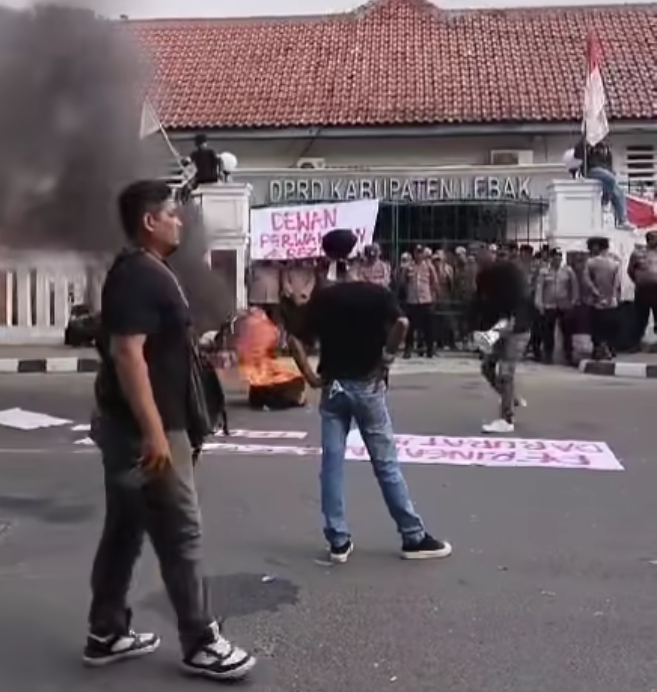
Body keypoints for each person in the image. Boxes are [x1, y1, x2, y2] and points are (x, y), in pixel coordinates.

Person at [86, 180, 255, 680]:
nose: (180, 221)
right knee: (181, 532)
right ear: (149, 222)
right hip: (148, 429)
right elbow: (126, 353)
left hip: (139, 425)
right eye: (172, 214)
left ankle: (107, 630)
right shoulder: (139, 274)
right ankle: (201, 641)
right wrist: (156, 432)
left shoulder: (146, 270)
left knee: (125, 529)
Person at [288, 228, 452, 563]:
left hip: (333, 386)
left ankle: (338, 540)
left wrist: (309, 376)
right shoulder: (375, 293)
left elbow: (294, 339)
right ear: (360, 255)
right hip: (368, 384)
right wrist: (387, 358)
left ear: (327, 256)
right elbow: (403, 325)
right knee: (385, 463)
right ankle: (412, 535)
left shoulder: (323, 297)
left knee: (331, 465)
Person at [469, 244, 532, 434]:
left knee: (505, 372)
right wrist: (475, 330)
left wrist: (514, 321)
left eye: (480, 255)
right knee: (487, 367)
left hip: (516, 326)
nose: (477, 260)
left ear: (490, 254)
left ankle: (506, 419)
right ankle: (509, 397)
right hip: (498, 328)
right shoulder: (482, 277)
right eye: (474, 257)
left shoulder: (508, 271)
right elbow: (478, 304)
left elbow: (521, 299)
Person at [572, 137, 635, 231]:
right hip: (591, 170)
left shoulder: (608, 152)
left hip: (605, 174)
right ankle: (605, 201)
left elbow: (609, 166)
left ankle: (622, 220)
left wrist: (612, 173)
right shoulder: (589, 146)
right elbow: (577, 154)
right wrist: (584, 140)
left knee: (619, 191)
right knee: (610, 178)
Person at [534, 248, 580, 365]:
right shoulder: (544, 271)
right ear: (551, 258)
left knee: (567, 332)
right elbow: (539, 288)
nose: (557, 258)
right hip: (549, 305)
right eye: (555, 256)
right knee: (548, 332)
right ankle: (548, 355)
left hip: (565, 305)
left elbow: (574, 287)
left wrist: (574, 301)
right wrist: (539, 304)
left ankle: (568, 355)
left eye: (559, 256)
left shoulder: (568, 271)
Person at [583, 235, 620, 360]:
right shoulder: (615, 262)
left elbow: (586, 280)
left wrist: (595, 292)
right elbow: (617, 282)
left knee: (596, 327)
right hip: (611, 301)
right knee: (610, 326)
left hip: (595, 301)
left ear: (597, 247)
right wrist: (613, 296)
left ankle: (598, 349)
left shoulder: (591, 262)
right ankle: (610, 348)